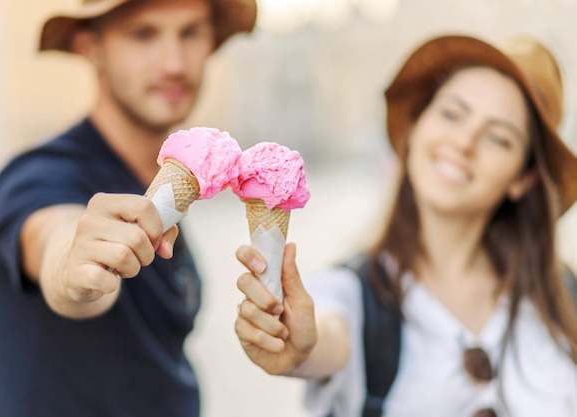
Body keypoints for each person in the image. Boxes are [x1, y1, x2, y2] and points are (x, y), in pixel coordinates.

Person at [234, 33, 577, 417]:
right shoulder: (355, 294)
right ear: (415, 129)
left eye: (498, 137)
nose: (464, 142)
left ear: (524, 178)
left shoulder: (565, 300)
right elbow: (322, 334)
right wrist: (296, 344)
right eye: (451, 114)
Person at [0, 0, 256, 416]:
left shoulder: (162, 184)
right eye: (143, 34)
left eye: (191, 32)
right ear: (91, 48)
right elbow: (54, 237)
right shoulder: (40, 175)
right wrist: (74, 265)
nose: (175, 63)